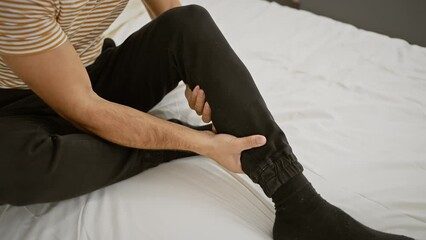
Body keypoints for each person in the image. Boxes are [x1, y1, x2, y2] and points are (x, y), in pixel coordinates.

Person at [0, 1, 413, 239]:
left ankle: (299, 203)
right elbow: (84, 109)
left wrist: (198, 75)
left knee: (190, 23)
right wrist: (197, 142)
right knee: (17, 168)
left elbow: (175, 27)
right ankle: (171, 142)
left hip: (90, 71)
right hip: (13, 105)